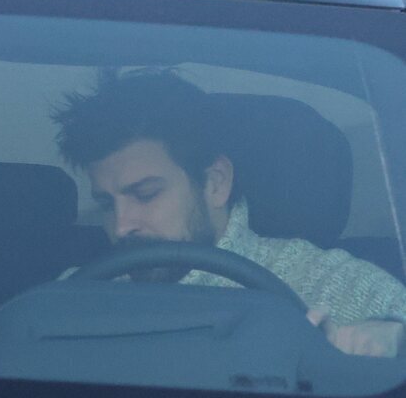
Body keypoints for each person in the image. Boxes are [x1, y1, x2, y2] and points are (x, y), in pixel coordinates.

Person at [53, 70, 406, 358]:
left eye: (146, 194)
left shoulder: (334, 285)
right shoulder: (79, 293)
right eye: (106, 204)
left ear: (215, 182)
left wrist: (392, 339)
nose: (121, 225)